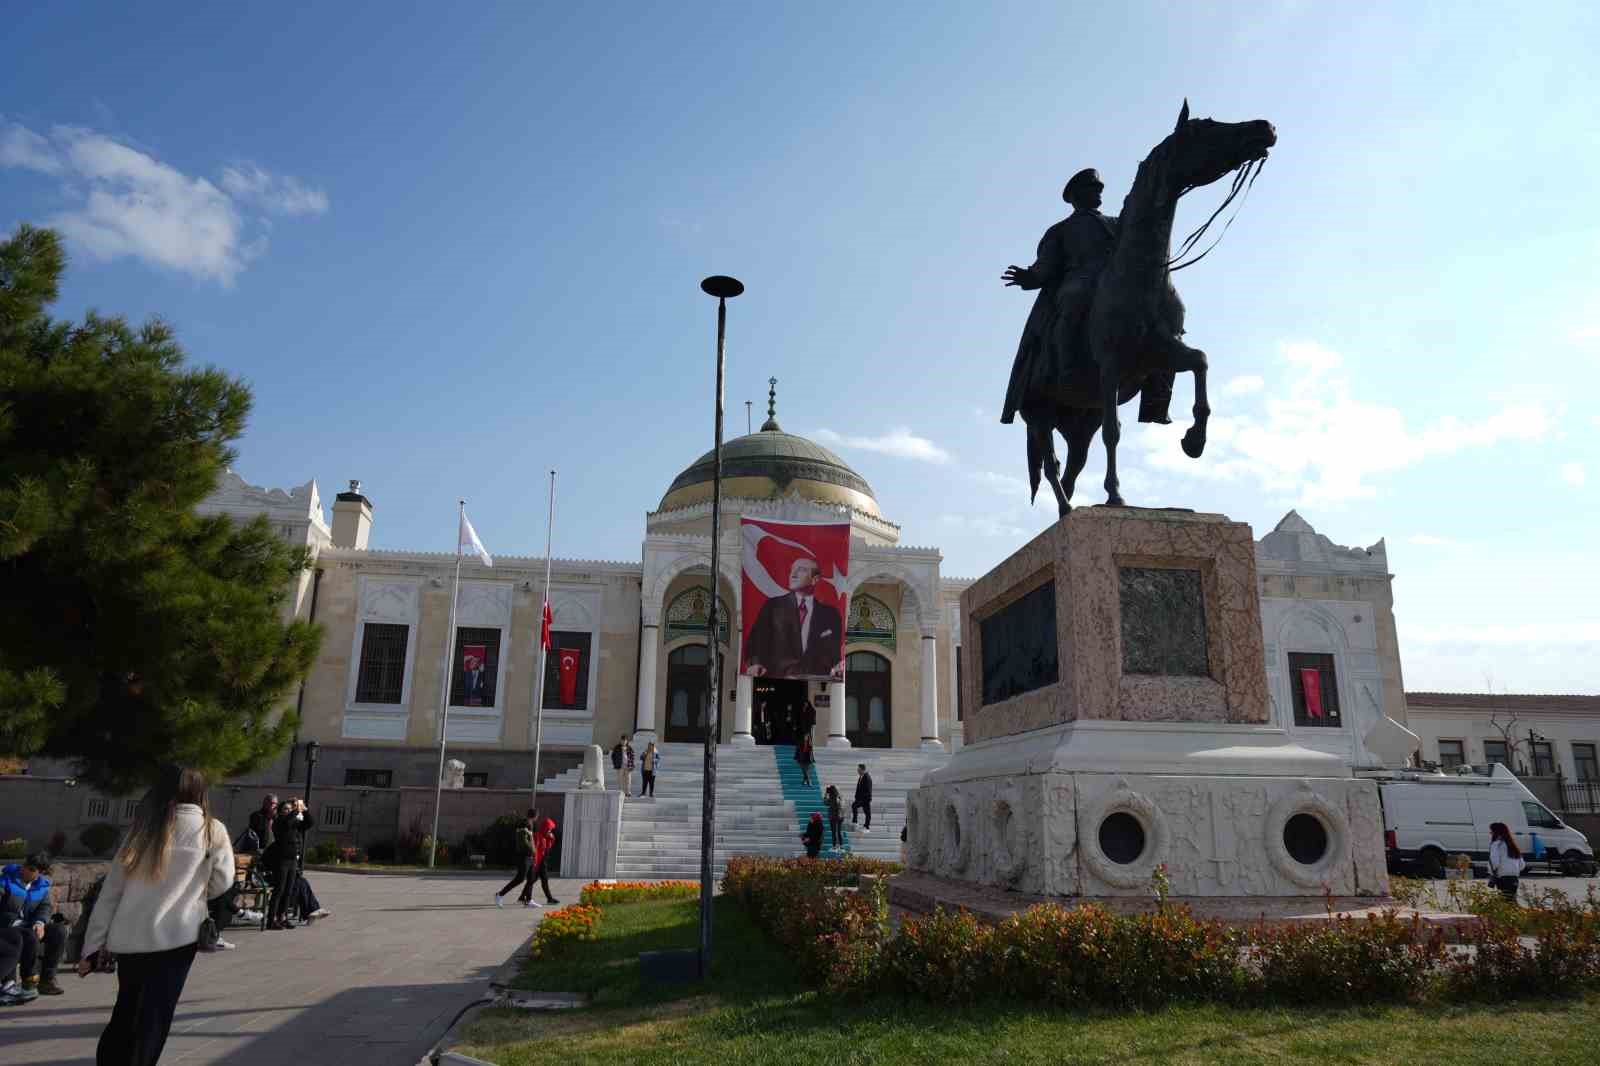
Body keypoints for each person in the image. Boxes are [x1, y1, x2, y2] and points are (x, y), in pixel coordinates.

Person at [76, 765, 233, 1066]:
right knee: (156, 1017)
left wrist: (92, 945)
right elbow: (222, 882)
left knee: (127, 1009)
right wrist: (194, 894)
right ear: (200, 792)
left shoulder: (142, 830)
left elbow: (111, 892)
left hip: (130, 938)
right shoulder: (212, 830)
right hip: (178, 938)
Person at [1000, 167, 1175, 428]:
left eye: (1099, 187)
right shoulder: (1060, 230)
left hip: (1117, 282)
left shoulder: (1118, 223)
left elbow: (1141, 236)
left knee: (1164, 317)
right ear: (1075, 195)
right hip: (1080, 280)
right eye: (1092, 187)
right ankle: (1067, 364)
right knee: (1074, 298)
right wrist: (1029, 277)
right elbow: (1045, 267)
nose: (1098, 191)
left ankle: (1157, 395)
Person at [743, 558, 844, 679]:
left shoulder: (830, 615)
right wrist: (755, 664)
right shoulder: (773, 607)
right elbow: (756, 641)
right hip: (777, 680)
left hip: (813, 684)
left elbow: (834, 655)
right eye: (792, 570)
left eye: (801, 570)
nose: (793, 574)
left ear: (815, 579)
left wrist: (837, 667)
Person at [0, 852, 66, 1002]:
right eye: (26, 865)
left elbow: (45, 907)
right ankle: (28, 982)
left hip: (30, 926)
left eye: (31, 869)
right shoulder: (6, 880)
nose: (26, 869)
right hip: (7, 928)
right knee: (29, 935)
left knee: (59, 931)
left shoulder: (41, 887)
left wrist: (40, 922)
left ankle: (47, 980)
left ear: (40, 872)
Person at [264, 798, 313, 930]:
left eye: (290, 809)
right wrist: (295, 811)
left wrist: (304, 809)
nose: (289, 811)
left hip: (292, 860)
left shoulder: (294, 822)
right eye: (286, 809)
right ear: (280, 811)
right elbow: (286, 823)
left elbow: (309, 823)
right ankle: (271, 920)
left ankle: (283, 917)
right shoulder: (279, 822)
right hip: (281, 859)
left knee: (288, 890)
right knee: (279, 890)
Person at [494, 810, 539, 908]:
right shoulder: (525, 824)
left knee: (531, 878)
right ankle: (500, 895)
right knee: (520, 878)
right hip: (524, 855)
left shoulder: (529, 824)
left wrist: (533, 851)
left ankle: (529, 900)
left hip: (530, 855)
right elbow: (523, 840)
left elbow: (530, 839)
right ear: (535, 816)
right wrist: (532, 850)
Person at [1488, 821, 1525, 903]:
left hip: (1502, 877)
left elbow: (1495, 862)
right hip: (1514, 877)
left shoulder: (1496, 845)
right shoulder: (1512, 845)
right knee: (1511, 900)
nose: (1490, 833)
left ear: (1496, 832)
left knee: (1505, 902)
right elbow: (1522, 865)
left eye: (1491, 831)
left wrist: (1492, 872)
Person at [852, 763, 873, 833]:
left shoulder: (867, 777)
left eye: (859, 770)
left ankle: (866, 827)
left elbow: (868, 790)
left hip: (865, 799)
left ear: (862, 770)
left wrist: (864, 799)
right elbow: (858, 788)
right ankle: (855, 822)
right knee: (854, 805)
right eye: (857, 769)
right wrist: (856, 797)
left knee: (867, 813)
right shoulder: (861, 777)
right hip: (860, 799)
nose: (857, 771)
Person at [823, 785, 845, 849]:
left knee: (834, 832)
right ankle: (841, 846)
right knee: (839, 831)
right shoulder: (840, 796)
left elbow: (825, 802)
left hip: (833, 817)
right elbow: (843, 805)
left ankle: (834, 846)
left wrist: (826, 793)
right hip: (840, 816)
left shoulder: (832, 798)